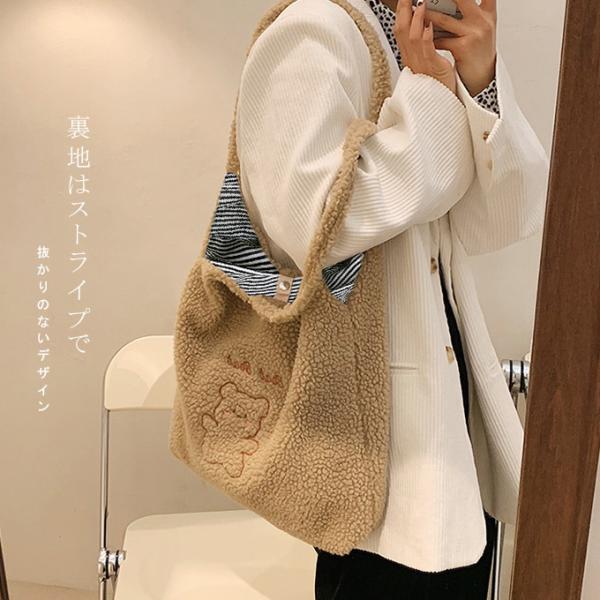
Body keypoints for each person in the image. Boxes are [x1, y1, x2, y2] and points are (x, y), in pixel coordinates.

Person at [234, 0, 549, 597]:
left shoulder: (426, 45)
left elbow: (502, 220)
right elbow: (308, 225)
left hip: (448, 410)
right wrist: (429, 94)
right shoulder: (312, 32)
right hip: (373, 434)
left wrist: (480, 83)